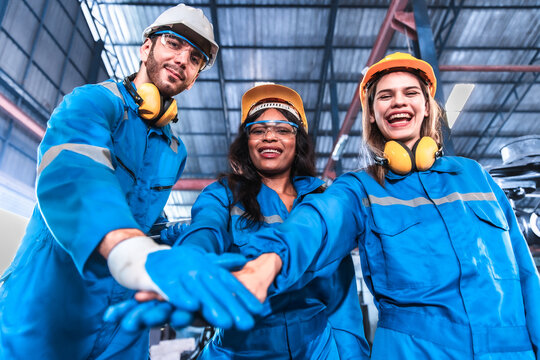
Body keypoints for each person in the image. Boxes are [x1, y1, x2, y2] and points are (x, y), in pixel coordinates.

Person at [230, 53, 540, 359]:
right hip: (413, 350)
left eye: (410, 92)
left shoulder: (474, 175)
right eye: (385, 96)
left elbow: (526, 274)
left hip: (511, 348)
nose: (399, 102)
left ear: (427, 106)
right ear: (372, 114)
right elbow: (317, 223)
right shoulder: (360, 189)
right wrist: (270, 261)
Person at [0, 4, 261, 360]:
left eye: (195, 57)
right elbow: (75, 175)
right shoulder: (94, 103)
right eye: (173, 43)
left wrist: (191, 239)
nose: (183, 59)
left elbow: (147, 219)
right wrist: (133, 254)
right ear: (146, 48)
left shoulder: (174, 148)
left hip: (121, 320)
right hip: (47, 309)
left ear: (196, 74)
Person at [105, 83, 370, 359]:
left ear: (297, 140)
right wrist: (192, 255)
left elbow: (343, 297)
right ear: (247, 142)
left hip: (317, 348)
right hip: (240, 348)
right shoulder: (224, 194)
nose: (269, 137)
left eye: (282, 130)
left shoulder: (321, 201)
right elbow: (206, 227)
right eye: (258, 130)